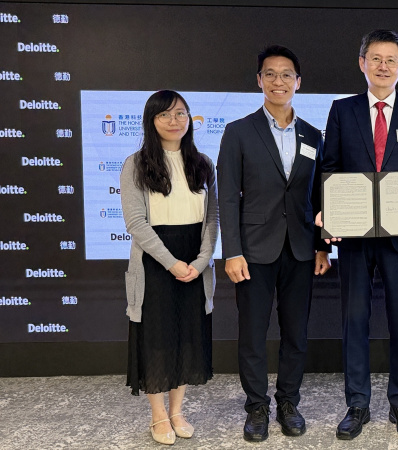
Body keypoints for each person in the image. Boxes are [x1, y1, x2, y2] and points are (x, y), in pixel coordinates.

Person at [316, 29, 398, 441]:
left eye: (391, 60)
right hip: (353, 235)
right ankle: (358, 403)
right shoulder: (341, 110)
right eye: (375, 59)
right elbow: (328, 167)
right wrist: (328, 211)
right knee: (355, 319)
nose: (383, 67)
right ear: (362, 63)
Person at [217, 45, 331, 442]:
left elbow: (320, 197)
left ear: (298, 82)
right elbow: (227, 196)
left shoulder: (314, 135)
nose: (278, 81)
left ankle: (288, 401)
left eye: (286, 75)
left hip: (301, 249)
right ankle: (256, 407)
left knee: (296, 332)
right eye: (270, 74)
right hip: (252, 250)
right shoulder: (238, 131)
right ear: (259, 81)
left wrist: (322, 246)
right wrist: (231, 250)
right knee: (253, 332)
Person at [121, 90, 217, 445]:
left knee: (187, 337)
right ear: (152, 121)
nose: (174, 121)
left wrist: (201, 260)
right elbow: (135, 222)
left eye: (181, 114)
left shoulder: (203, 162)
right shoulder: (137, 163)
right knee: (157, 340)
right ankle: (158, 415)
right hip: (156, 263)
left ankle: (177, 411)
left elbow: (213, 218)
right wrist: (173, 263)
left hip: (195, 261)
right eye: (165, 115)